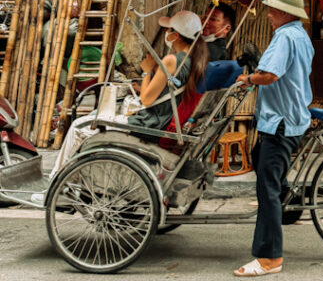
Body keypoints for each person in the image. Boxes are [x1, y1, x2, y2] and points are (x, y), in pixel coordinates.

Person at [53, 10, 207, 171]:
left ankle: (56, 178)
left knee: (78, 126)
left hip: (149, 123)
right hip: (160, 120)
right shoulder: (194, 60)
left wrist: (147, 71)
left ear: (176, 35)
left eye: (169, 30)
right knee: (92, 118)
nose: (166, 33)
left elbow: (147, 100)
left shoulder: (171, 61)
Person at [233, 0, 313, 278]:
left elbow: (270, 75)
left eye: (273, 10)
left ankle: (269, 258)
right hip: (291, 116)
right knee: (261, 161)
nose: (268, 15)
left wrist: (247, 79)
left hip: (280, 120)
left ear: (286, 13)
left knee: (266, 189)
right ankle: (285, 203)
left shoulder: (285, 37)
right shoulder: (301, 36)